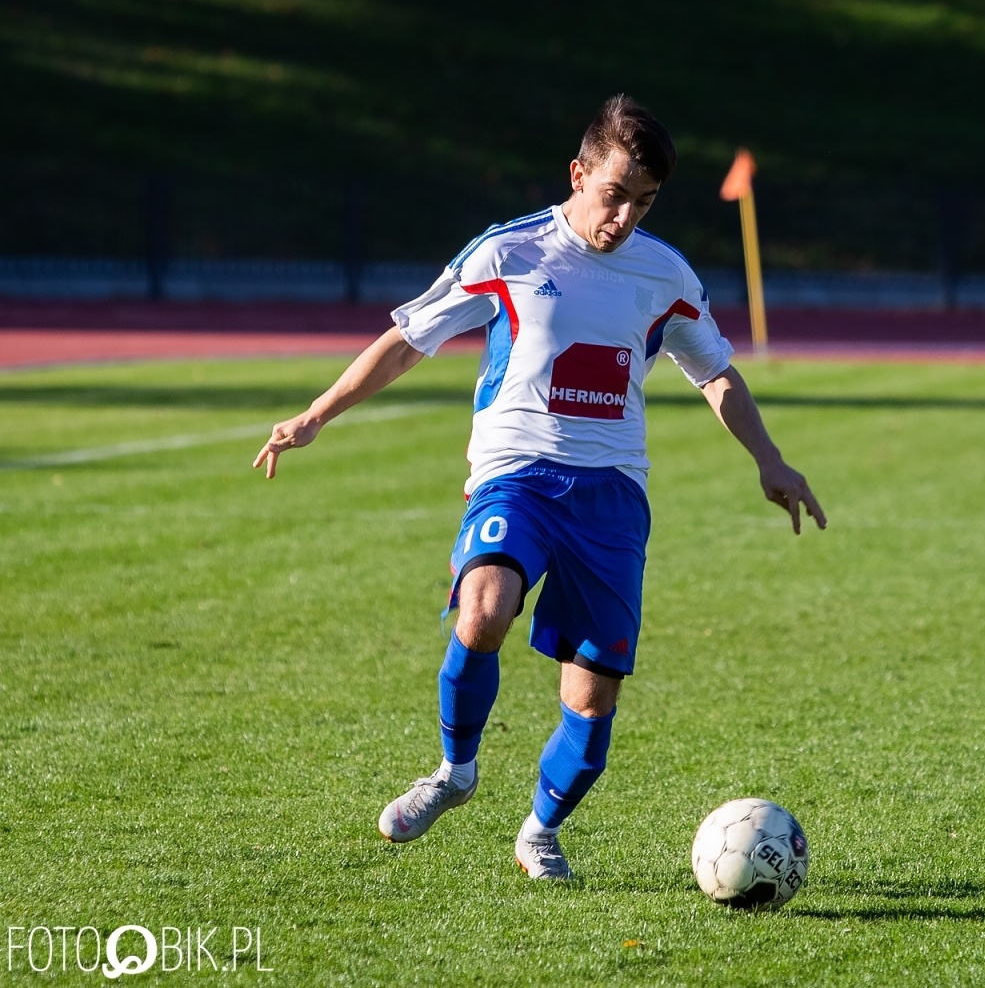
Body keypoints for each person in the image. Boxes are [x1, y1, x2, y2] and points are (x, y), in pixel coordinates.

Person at [253, 95, 825, 879]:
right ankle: (455, 772)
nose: (623, 216)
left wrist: (770, 459)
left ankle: (540, 829)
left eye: (645, 202)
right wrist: (317, 414)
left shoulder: (665, 276)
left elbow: (715, 373)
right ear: (579, 172)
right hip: (515, 475)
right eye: (614, 193)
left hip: (612, 497)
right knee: (483, 609)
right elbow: (407, 340)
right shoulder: (509, 251)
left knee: (592, 705)